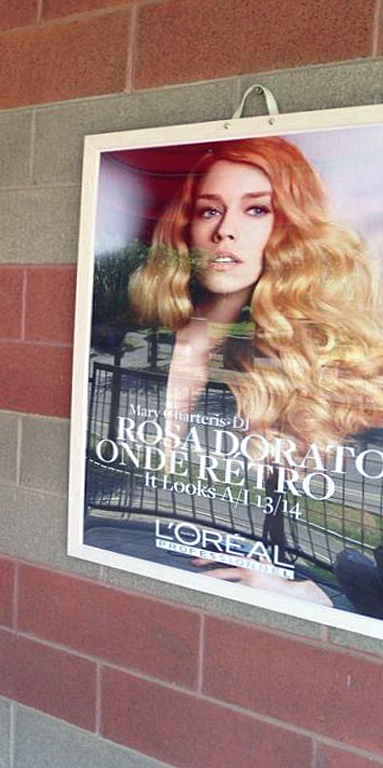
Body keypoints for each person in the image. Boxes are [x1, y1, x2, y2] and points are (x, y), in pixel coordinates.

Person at [125, 136, 383, 608]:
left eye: (256, 210)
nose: (225, 231)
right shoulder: (152, 339)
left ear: (289, 230)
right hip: (143, 568)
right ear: (187, 227)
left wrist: (321, 598)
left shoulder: (314, 367)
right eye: (209, 211)